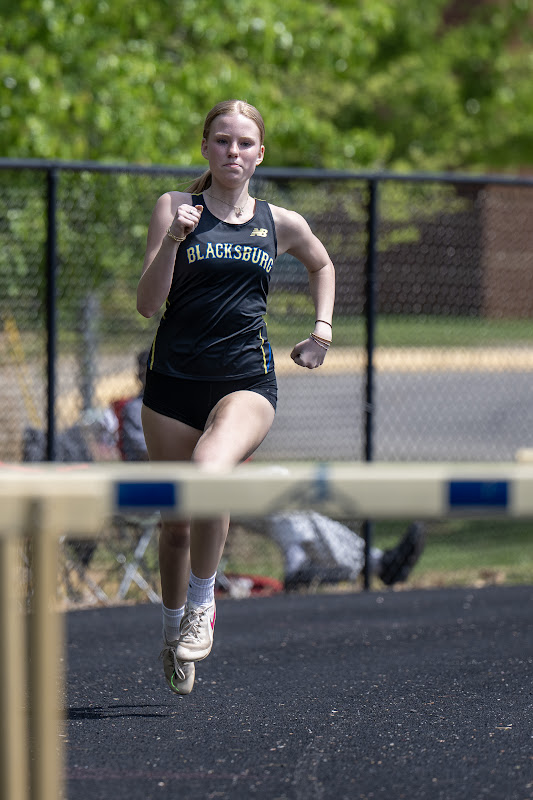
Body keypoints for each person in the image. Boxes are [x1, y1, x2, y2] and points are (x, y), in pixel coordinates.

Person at [136, 99, 335, 696]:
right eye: (222, 141)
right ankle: (173, 631)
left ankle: (204, 606)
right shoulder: (176, 208)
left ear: (260, 154)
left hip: (246, 381)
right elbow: (148, 305)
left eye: (245, 143)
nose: (233, 152)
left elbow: (322, 263)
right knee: (175, 526)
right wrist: (173, 241)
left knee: (209, 471)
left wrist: (321, 331)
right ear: (205, 148)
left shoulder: (282, 222)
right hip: (171, 386)